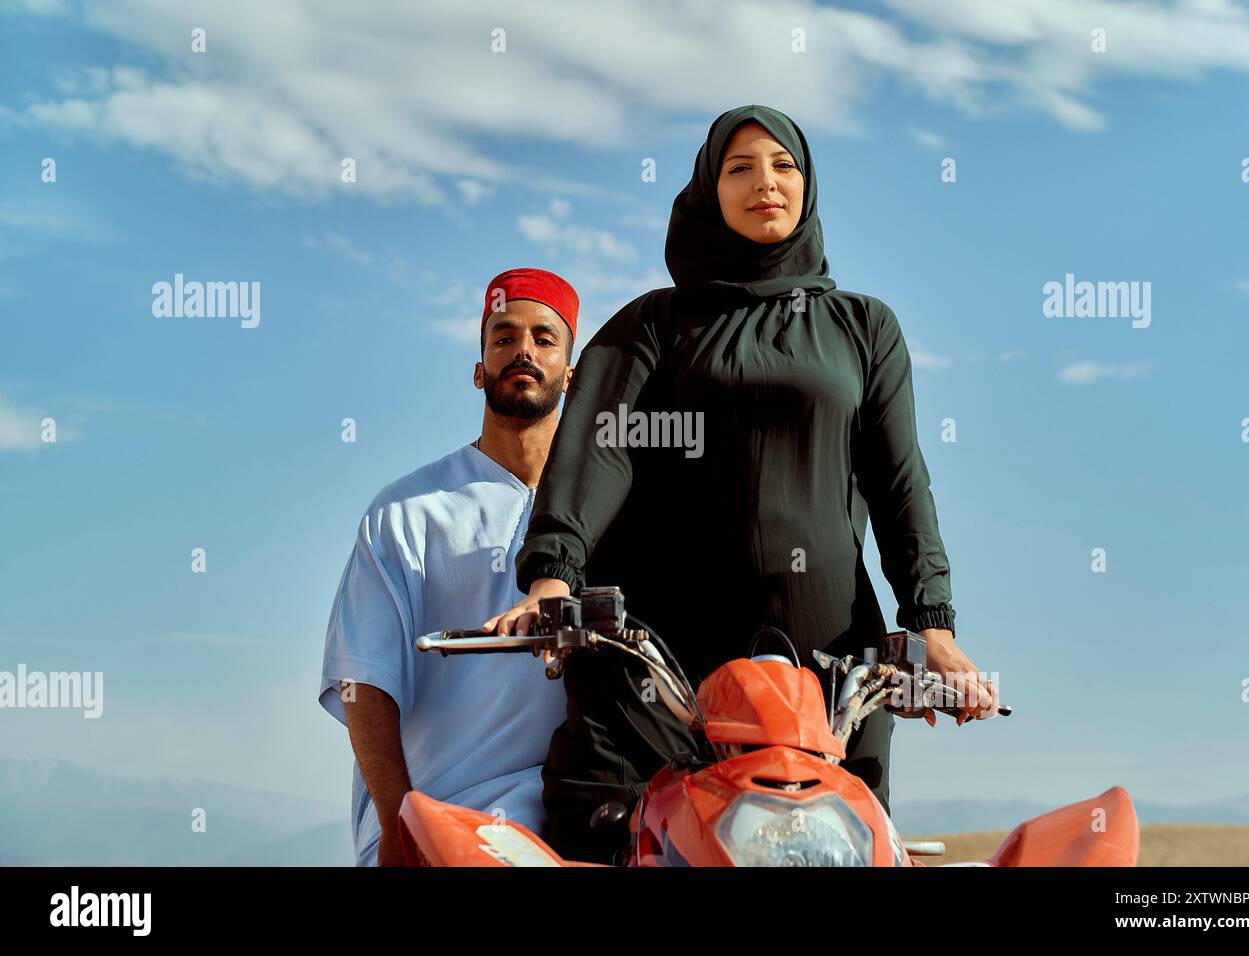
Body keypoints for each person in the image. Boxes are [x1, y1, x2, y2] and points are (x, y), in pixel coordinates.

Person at [486, 106, 999, 865]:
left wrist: (935, 627)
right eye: (741, 168)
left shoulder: (864, 327)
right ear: (708, 190)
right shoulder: (651, 328)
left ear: (808, 184)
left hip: (831, 676)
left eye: (784, 165)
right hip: (663, 671)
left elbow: (899, 482)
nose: (766, 183)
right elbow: (600, 453)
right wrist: (552, 580)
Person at [318, 268, 579, 865]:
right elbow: (364, 679)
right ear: (479, 368)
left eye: (544, 338)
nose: (523, 352)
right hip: (444, 821)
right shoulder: (408, 511)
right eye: (503, 337)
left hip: (581, 820)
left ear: (571, 371)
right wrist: (399, 821)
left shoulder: (601, 510)